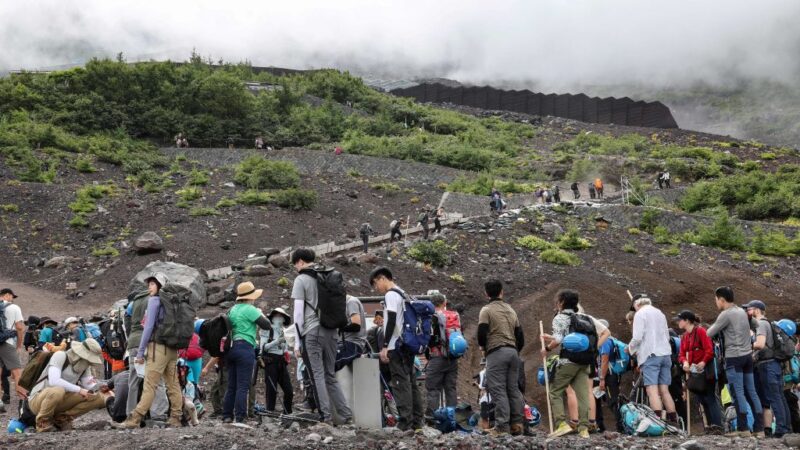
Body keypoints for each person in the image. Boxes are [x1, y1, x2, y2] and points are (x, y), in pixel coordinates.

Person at [291, 249, 353, 425]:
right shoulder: (326, 276)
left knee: (317, 375)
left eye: (295, 264)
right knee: (330, 375)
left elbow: (297, 314)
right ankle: (345, 415)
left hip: (313, 332)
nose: (295, 268)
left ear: (300, 261)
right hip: (332, 331)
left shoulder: (301, 279)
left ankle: (324, 416)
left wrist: (297, 342)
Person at [114, 273, 183, 429]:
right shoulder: (172, 302)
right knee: (173, 385)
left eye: (152, 284)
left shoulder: (154, 301)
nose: (149, 287)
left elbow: (149, 327)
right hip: (172, 349)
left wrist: (140, 352)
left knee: (150, 385)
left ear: (159, 285)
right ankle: (175, 418)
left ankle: (134, 419)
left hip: (157, 348)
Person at [542, 289, 609, 438]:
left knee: (555, 391)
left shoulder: (560, 318)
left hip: (568, 361)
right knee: (583, 394)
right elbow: (606, 332)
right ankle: (584, 429)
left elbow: (559, 340)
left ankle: (561, 424)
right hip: (585, 362)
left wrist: (547, 348)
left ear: (562, 302)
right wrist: (593, 348)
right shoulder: (586, 317)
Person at [706, 286, 764, 438]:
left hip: (734, 358)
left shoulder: (726, 314)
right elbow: (756, 325)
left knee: (738, 393)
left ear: (722, 299)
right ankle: (760, 429)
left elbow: (709, 333)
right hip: (747, 356)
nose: (716, 303)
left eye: (716, 300)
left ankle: (743, 428)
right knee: (752, 392)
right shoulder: (742, 312)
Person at [371, 266, 423, 431]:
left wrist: (385, 345)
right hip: (407, 345)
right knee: (411, 383)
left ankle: (405, 422)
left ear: (382, 278)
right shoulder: (402, 293)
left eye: (375, 284)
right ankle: (417, 421)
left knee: (401, 384)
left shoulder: (391, 294)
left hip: (397, 346)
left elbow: (391, 319)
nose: (376, 288)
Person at [28, 338, 113, 432]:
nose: (90, 361)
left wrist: (105, 389)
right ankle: (42, 423)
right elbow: (54, 381)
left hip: (60, 400)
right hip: (38, 400)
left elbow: (89, 386)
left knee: (97, 397)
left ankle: (61, 420)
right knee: (58, 390)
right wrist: (79, 390)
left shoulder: (84, 366)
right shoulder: (60, 355)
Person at [478, 279, 525, 436]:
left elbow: (481, 333)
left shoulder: (486, 310)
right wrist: (514, 350)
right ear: (501, 292)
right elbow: (520, 335)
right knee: (513, 388)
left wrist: (483, 348)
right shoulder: (511, 310)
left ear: (486, 293)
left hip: (496, 352)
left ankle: (502, 426)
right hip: (513, 352)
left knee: (498, 389)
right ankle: (517, 423)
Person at [219, 282, 270, 423]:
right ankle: (240, 416)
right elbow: (267, 325)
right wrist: (260, 313)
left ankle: (227, 415)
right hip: (245, 348)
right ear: (250, 297)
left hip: (231, 349)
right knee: (243, 385)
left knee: (231, 385)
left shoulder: (232, 309)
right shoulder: (250, 309)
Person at [627, 294, 679, 427]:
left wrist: (630, 348)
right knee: (665, 390)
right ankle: (674, 421)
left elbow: (637, 337)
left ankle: (658, 422)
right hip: (665, 354)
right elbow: (666, 335)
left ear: (636, 304)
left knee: (652, 390)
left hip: (650, 355)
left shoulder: (640, 314)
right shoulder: (660, 313)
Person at [744, 300, 791, 437]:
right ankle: (785, 427)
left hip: (767, 365)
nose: (747, 312)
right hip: (774, 365)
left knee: (774, 397)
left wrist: (746, 347)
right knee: (779, 397)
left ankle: (782, 430)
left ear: (757, 310)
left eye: (749, 309)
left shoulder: (761, 324)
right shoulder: (768, 323)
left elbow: (760, 344)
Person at [674, 310, 724, 432]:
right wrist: (684, 362)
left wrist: (703, 362)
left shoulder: (701, 331)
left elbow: (709, 350)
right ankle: (711, 426)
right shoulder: (685, 336)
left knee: (710, 397)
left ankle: (718, 425)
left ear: (686, 321)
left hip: (706, 370)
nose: (678, 322)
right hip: (694, 373)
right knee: (702, 399)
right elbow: (681, 354)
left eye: (680, 320)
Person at [123, 287, 168, 421]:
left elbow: (127, 322)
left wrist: (132, 337)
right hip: (153, 342)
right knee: (157, 379)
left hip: (134, 342)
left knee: (133, 381)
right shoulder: (157, 299)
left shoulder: (133, 302)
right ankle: (158, 414)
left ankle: (131, 414)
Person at [425, 291, 460, 418]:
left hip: (437, 357)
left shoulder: (432, 316)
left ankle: (433, 419)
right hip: (453, 357)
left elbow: (429, 338)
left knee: (433, 389)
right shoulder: (454, 315)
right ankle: (452, 418)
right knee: (450, 388)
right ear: (444, 303)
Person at [260, 307, 293, 414]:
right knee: (271, 389)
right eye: (276, 316)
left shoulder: (285, 331)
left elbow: (285, 349)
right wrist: (277, 341)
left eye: (281, 317)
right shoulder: (267, 329)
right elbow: (263, 347)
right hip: (270, 361)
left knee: (289, 390)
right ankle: (270, 412)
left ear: (284, 319)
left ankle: (288, 412)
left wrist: (285, 346)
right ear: (272, 318)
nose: (279, 318)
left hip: (281, 362)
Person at [0, 288, 27, 402]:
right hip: (7, 343)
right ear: (7, 295)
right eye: (12, 297)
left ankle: (0, 402)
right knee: (17, 374)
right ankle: (23, 402)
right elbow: (19, 327)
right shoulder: (14, 307)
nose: (12, 299)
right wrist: (19, 346)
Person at [336, 295, 367, 371]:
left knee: (330, 363)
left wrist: (340, 328)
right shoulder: (342, 305)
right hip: (344, 343)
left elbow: (356, 326)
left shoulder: (351, 302)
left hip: (353, 344)